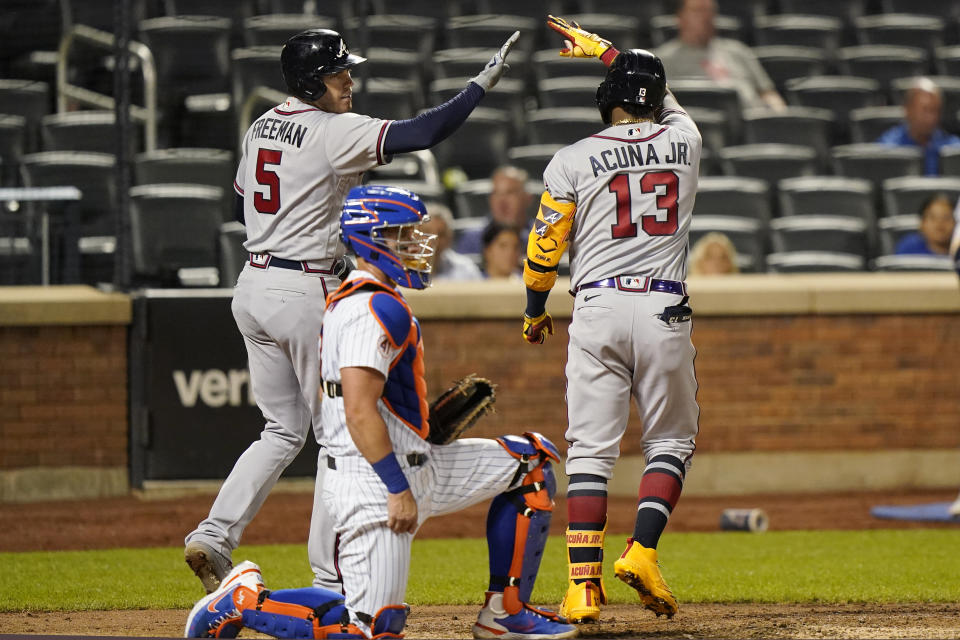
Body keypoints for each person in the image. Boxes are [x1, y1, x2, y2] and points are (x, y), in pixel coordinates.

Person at [183, 27, 521, 595]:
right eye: (340, 72)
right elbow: (423, 132)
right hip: (303, 290)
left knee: (281, 428)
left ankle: (215, 534)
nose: (350, 80)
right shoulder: (332, 129)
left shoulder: (262, 124)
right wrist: (479, 85)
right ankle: (328, 576)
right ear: (314, 81)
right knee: (339, 437)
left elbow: (244, 201)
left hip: (254, 284)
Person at [183, 186, 577, 640]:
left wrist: (418, 427)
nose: (417, 244)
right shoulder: (370, 306)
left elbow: (375, 403)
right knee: (374, 629)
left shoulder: (373, 299)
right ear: (372, 239)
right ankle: (241, 602)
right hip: (375, 482)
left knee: (531, 462)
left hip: (416, 464)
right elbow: (357, 409)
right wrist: (397, 488)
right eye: (403, 234)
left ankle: (505, 614)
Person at [525, 20, 702, 626]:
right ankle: (644, 550)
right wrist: (610, 52)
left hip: (595, 307)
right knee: (670, 441)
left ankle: (582, 589)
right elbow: (664, 95)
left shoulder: (572, 157)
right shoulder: (686, 140)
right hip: (663, 306)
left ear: (608, 102)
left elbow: (545, 246)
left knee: (590, 452)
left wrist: (533, 307)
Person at [654, 0, 785, 111]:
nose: (705, 17)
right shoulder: (662, 60)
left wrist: (778, 114)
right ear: (680, 17)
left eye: (710, 11)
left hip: (751, 123)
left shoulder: (738, 51)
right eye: (698, 11)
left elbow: (768, 94)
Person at [878, 78, 960, 176]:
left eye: (935, 110)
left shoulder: (953, 147)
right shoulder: (888, 147)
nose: (931, 118)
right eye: (925, 110)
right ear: (907, 110)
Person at [454, 166, 533, 255]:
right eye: (496, 193)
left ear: (527, 199)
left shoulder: (544, 238)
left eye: (510, 193)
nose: (502, 202)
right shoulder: (472, 240)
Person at [418, 203, 483, 281]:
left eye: (441, 234)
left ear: (449, 239)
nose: (434, 240)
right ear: (415, 236)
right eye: (427, 233)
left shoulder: (466, 270)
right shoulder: (402, 269)